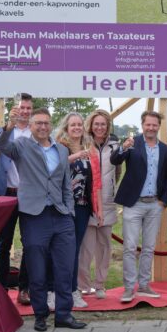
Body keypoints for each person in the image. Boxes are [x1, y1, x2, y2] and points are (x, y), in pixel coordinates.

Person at [0, 107, 86, 331]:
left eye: (46, 123)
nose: (43, 127)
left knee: (64, 268)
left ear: (51, 125)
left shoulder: (61, 150)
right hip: (34, 216)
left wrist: (69, 211)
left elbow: (66, 185)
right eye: (38, 123)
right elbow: (0, 144)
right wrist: (9, 125)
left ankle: (64, 314)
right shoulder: (21, 146)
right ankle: (40, 314)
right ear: (31, 126)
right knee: (37, 270)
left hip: (61, 215)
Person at [111, 111, 167, 303]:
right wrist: (122, 148)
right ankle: (129, 288)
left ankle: (144, 285)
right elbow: (115, 160)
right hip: (134, 203)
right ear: (142, 125)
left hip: (154, 204)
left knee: (148, 247)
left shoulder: (165, 149)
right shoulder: (132, 144)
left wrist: (163, 201)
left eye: (155, 125)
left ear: (159, 126)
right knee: (130, 247)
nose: (151, 128)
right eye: (148, 124)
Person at [0, 94, 33, 305]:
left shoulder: (36, 131)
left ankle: (24, 289)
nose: (25, 111)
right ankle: (1, 289)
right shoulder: (6, 129)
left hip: (29, 194)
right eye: (22, 107)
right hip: (6, 192)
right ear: (15, 109)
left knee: (30, 242)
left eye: (28, 108)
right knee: (4, 243)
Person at [57, 112, 99, 310]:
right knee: (61, 250)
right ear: (66, 127)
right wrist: (74, 157)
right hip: (64, 206)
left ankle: (73, 290)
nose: (76, 128)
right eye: (73, 125)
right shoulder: (60, 147)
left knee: (75, 249)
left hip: (82, 206)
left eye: (79, 125)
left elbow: (94, 179)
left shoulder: (87, 148)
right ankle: (57, 290)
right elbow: (54, 168)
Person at [78, 109, 120, 299]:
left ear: (107, 125)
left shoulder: (114, 146)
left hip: (108, 201)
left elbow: (118, 171)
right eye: (97, 124)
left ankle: (100, 284)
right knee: (86, 248)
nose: (100, 127)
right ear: (91, 125)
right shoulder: (83, 143)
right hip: (87, 201)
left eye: (103, 124)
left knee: (104, 247)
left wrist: (110, 188)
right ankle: (83, 285)